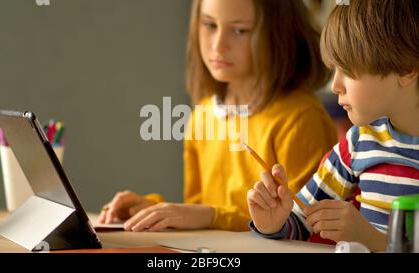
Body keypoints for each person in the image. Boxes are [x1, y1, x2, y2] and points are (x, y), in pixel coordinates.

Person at [99, 0, 337, 232]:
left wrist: (210, 215)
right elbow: (201, 213)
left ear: (279, 33)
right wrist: (153, 209)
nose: (218, 45)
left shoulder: (301, 118)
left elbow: (303, 225)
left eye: (239, 30)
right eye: (210, 25)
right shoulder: (202, 115)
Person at [247, 0, 419, 251]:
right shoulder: (358, 142)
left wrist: (371, 239)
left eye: (347, 69)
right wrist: (274, 222)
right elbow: (303, 220)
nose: (334, 85)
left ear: (405, 70)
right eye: (334, 69)